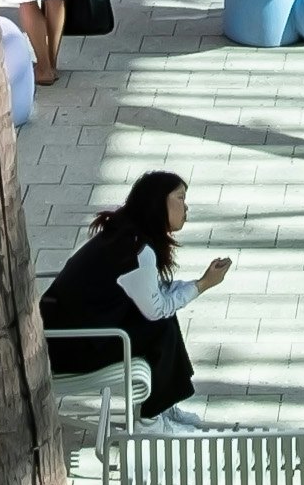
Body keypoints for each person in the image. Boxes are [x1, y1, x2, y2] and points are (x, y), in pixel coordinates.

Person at [43, 170, 227, 417]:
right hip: (71, 348)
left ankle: (164, 407)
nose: (186, 207)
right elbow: (157, 310)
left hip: (65, 338)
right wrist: (203, 284)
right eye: (180, 198)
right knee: (161, 326)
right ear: (159, 202)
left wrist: (199, 282)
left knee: (164, 320)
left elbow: (155, 295)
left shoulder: (127, 234)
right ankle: (151, 420)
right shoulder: (138, 249)